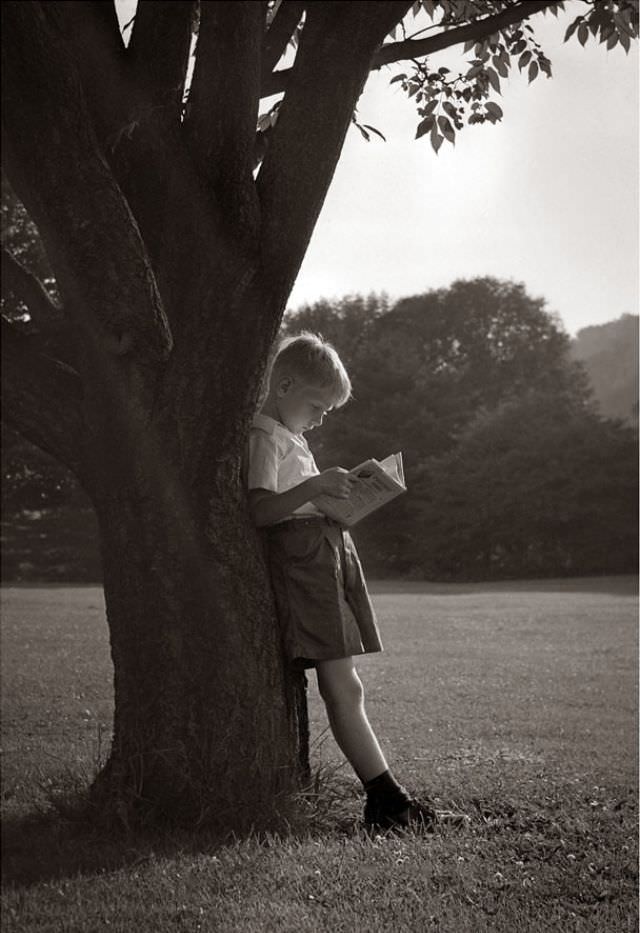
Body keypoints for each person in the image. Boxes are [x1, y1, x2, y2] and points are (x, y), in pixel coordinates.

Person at [245, 330, 438, 832]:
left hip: (324, 555)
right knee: (342, 685)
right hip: (306, 563)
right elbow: (261, 509)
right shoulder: (264, 435)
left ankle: (386, 800)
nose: (321, 417)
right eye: (317, 405)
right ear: (284, 385)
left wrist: (342, 497)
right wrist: (314, 486)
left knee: (345, 685)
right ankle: (387, 801)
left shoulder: (291, 437)